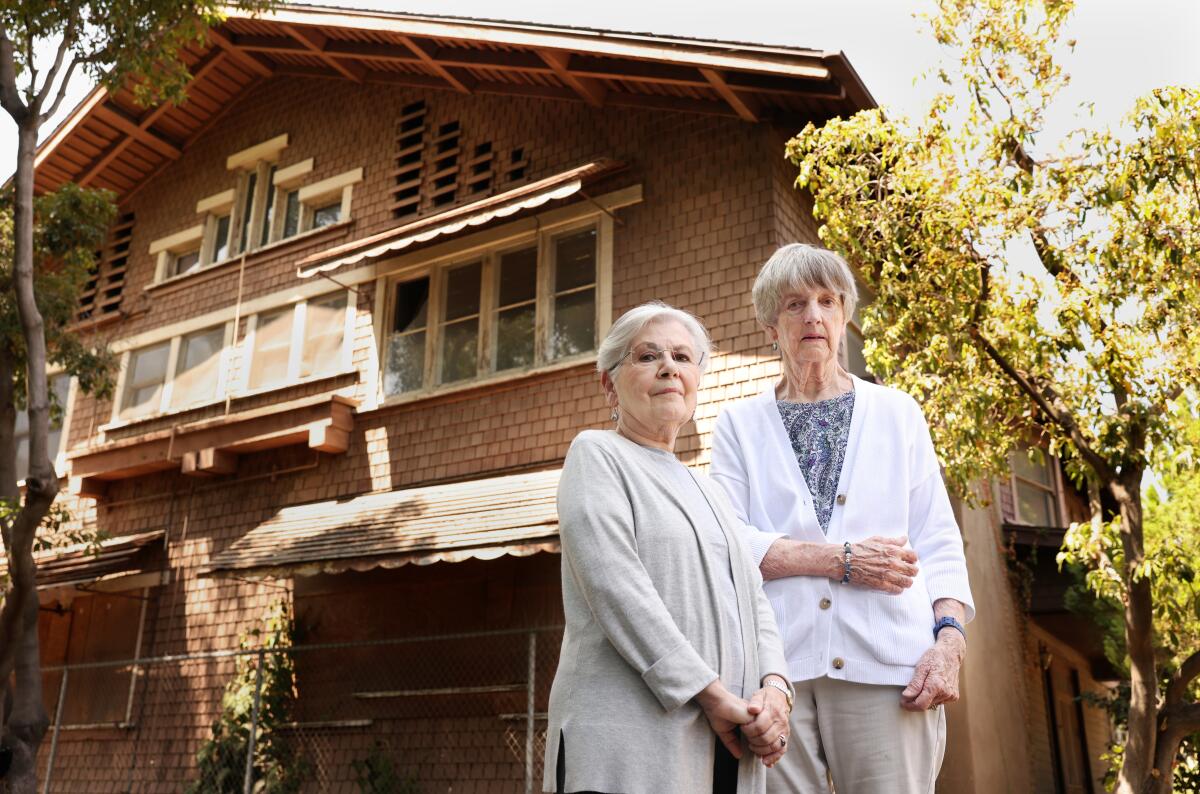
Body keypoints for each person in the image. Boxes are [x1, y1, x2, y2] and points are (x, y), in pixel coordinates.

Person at [710, 243, 976, 794]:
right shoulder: (738, 424)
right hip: (776, 674)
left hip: (890, 670)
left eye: (827, 301)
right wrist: (842, 561)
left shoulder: (897, 412)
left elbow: (938, 539)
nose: (813, 315)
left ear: (844, 316)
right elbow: (726, 541)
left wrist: (949, 642)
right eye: (795, 304)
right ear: (770, 324)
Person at [545, 301, 794, 794]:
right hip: (625, 741)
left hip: (725, 746)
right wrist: (712, 694)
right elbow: (619, 591)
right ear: (608, 383)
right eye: (647, 356)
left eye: (683, 357)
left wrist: (775, 690)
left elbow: (756, 605)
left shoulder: (711, 491)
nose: (669, 368)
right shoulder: (596, 456)